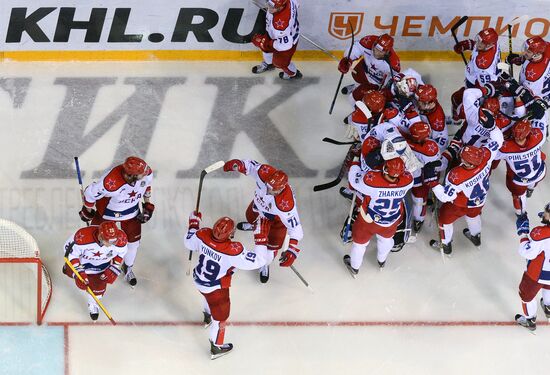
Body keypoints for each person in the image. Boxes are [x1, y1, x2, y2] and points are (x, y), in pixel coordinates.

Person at [184, 212, 274, 359]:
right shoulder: (233, 250)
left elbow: (188, 242)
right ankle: (217, 347)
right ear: (229, 234)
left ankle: (207, 316)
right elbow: (260, 261)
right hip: (216, 289)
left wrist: (194, 224)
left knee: (206, 296)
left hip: (199, 280)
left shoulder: (202, 234)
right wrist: (260, 238)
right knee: (220, 319)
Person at [425, 125, 504, 254]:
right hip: (480, 199)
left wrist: (432, 182)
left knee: (444, 219)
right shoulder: (485, 156)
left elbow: (446, 197)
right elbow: (498, 140)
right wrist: (493, 127)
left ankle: (446, 245)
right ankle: (476, 236)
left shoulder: (456, 175)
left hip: (461, 204)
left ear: (468, 163)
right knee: (474, 216)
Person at [78, 156, 154, 287]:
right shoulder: (111, 182)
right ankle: (89, 265)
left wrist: (147, 204)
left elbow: (146, 186)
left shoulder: (146, 173)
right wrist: (88, 210)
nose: (146, 172)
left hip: (131, 212)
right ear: (132, 176)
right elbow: (90, 193)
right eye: (142, 173)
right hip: (107, 214)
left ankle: (128, 267)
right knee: (96, 240)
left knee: (133, 244)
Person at [223, 159, 303, 283]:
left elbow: (296, 229)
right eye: (268, 186)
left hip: (277, 222)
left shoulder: (285, 205)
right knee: (250, 216)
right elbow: (250, 166)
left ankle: (265, 264)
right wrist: (239, 164)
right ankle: (254, 226)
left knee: (268, 254)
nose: (267, 190)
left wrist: (292, 250)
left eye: (272, 190)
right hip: (258, 208)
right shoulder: (265, 172)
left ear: (281, 189)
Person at [343, 157, 413, 275]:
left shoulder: (371, 181)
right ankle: (381, 261)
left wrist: (355, 162)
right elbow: (407, 173)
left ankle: (355, 267)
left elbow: (353, 179)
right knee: (385, 240)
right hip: (391, 221)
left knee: (359, 244)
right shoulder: (408, 180)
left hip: (369, 221)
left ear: (385, 169)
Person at [62, 221, 128, 321]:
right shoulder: (82, 237)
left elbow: (121, 253)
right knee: (70, 272)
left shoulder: (120, 239)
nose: (112, 244)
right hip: (82, 264)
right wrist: (79, 273)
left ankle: (93, 304)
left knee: (98, 289)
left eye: (113, 241)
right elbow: (71, 254)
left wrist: (114, 267)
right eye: (109, 241)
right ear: (101, 237)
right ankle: (68, 270)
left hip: (101, 267)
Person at [451, 28, 502, 122]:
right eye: (478, 39)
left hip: (478, 86)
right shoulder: (493, 43)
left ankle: (461, 121)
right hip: (477, 78)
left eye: (480, 42)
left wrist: (472, 96)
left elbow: (484, 88)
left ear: (489, 45)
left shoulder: (484, 65)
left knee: (458, 100)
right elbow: (478, 45)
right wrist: (467, 44)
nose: (477, 43)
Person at [496, 119, 546, 214]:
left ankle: (521, 214)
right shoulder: (539, 137)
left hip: (520, 181)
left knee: (517, 196)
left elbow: (493, 155)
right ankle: (531, 189)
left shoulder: (506, 148)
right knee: (541, 160)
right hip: (540, 172)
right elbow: (541, 124)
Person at [514, 203, 550, 331]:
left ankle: (530, 320)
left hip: (537, 273)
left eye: (547, 212)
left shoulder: (541, 233)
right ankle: (548, 307)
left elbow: (527, 252)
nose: (545, 213)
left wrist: (523, 234)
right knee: (548, 287)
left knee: (526, 296)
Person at [338, 33, 401, 101]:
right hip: (365, 67)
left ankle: (361, 89)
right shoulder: (369, 41)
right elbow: (356, 48)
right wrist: (348, 59)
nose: (376, 52)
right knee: (356, 74)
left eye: (380, 52)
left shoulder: (393, 63)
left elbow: (392, 80)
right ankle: (356, 86)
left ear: (387, 52)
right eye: (376, 48)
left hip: (376, 80)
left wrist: (383, 91)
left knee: (364, 94)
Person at [507, 36, 550, 136]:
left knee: (530, 113)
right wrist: (519, 59)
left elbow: (525, 94)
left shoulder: (533, 75)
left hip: (536, 95)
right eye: (526, 49)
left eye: (528, 52)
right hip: (543, 88)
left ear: (537, 54)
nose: (525, 52)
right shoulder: (546, 47)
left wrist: (513, 86)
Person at [251, 0, 302, 80]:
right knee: (264, 48)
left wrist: (269, 43)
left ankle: (293, 74)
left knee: (281, 63)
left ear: (282, 6)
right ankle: (269, 64)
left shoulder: (281, 26)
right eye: (269, 4)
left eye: (273, 7)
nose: (269, 8)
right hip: (274, 34)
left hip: (288, 43)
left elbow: (285, 45)